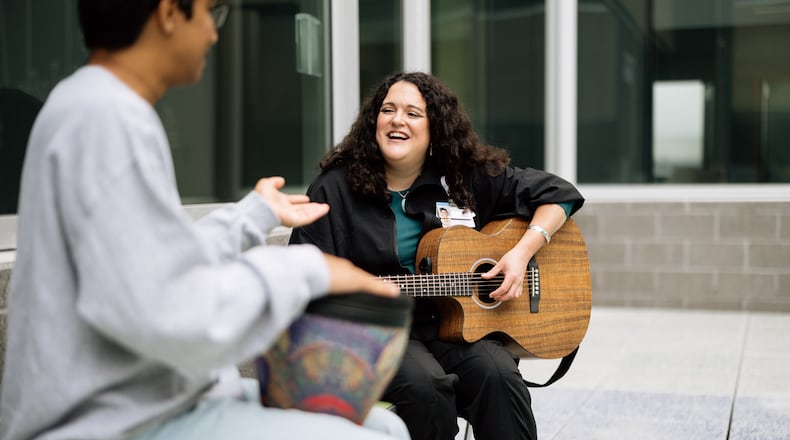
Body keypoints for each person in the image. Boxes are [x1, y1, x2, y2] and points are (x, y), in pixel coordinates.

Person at [0, 1, 410, 439]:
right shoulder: (106, 118)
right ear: (168, 13)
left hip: (147, 401)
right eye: (211, 14)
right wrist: (307, 269)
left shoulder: (95, 104)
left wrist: (253, 214)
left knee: (384, 422)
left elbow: (150, 258)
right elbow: (163, 311)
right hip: (113, 420)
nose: (215, 35)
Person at [289, 71, 585, 440]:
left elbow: (562, 195)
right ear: (373, 122)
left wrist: (522, 253)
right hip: (376, 332)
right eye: (388, 110)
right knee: (427, 388)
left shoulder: (461, 178)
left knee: (499, 375)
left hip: (451, 328)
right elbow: (303, 275)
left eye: (413, 113)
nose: (397, 120)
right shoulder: (335, 188)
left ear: (435, 129)